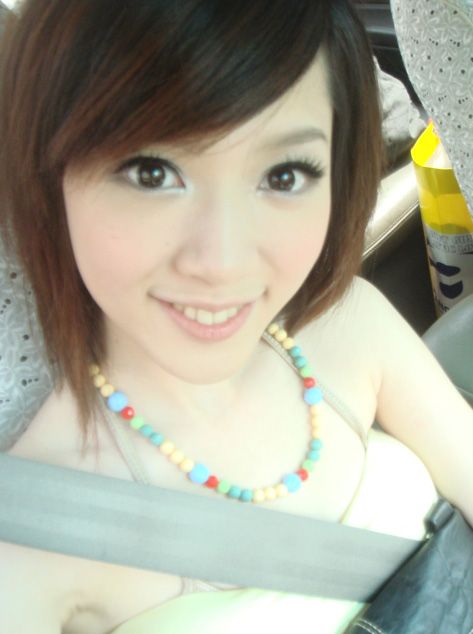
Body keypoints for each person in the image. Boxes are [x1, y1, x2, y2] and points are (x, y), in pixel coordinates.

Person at [0, 1, 471, 632]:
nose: (221, 262)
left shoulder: (350, 326)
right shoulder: (34, 542)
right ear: (49, 178)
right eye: (151, 172)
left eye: (284, 175)